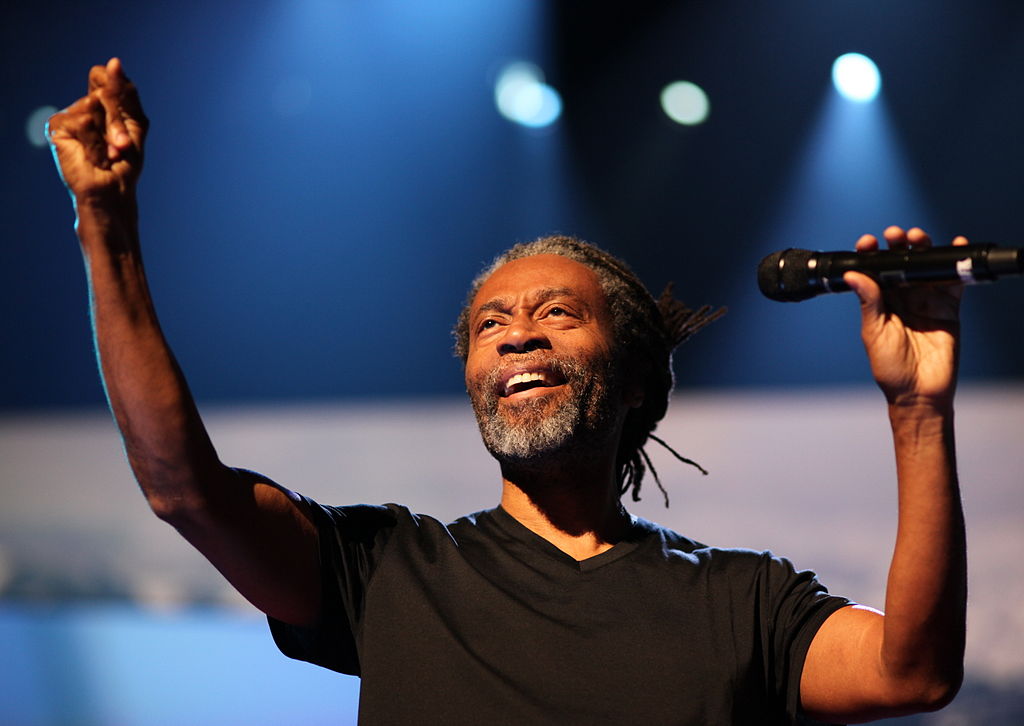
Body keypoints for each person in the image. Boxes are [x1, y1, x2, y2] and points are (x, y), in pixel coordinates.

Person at [47, 58, 967, 725]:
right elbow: (184, 490)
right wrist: (108, 230)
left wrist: (919, 413)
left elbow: (911, 675)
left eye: (556, 314)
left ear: (639, 367)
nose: (516, 332)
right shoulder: (388, 573)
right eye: (490, 326)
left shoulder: (742, 602)